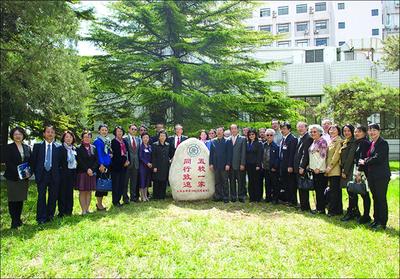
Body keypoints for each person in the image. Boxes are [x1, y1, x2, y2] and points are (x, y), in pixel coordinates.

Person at [359, 123, 391, 230]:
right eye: (370, 130)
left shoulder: (383, 143)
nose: (372, 132)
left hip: (381, 176)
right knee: (375, 198)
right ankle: (376, 220)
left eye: (374, 130)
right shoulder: (372, 143)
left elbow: (378, 158)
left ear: (379, 131)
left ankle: (382, 222)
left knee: (381, 198)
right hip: (372, 175)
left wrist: (365, 161)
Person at [31, 124, 62, 224]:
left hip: (54, 175)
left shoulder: (59, 147)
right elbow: (33, 161)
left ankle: (50, 216)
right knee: (41, 197)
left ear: (54, 134)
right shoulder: (37, 146)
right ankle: (41, 218)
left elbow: (61, 163)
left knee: (53, 197)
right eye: (48, 132)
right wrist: (35, 173)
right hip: (42, 175)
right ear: (44, 134)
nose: (50, 134)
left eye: (52, 132)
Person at [341, 125, 371, 223]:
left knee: (364, 194)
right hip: (356, 170)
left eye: (359, 132)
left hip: (362, 171)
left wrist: (359, 172)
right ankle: (354, 212)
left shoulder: (364, 143)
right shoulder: (358, 142)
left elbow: (363, 158)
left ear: (364, 133)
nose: (356, 133)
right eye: (356, 132)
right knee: (353, 191)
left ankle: (366, 216)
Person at [4, 127, 31, 228]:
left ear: (23, 135)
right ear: (12, 136)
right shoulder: (8, 147)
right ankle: (14, 221)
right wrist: (19, 172)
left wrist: (28, 172)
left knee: (20, 198)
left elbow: (30, 161)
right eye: (15, 134)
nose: (18, 136)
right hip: (12, 177)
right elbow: (8, 162)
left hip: (24, 178)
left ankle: (18, 219)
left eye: (20, 134)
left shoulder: (27, 147)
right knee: (13, 199)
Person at [76, 130, 98, 215]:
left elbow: (96, 160)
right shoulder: (78, 148)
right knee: (82, 191)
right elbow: (79, 160)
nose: (87, 138)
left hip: (91, 173)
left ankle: (87, 209)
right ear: (82, 138)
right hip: (82, 172)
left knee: (89, 191)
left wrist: (92, 169)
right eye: (85, 137)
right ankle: (83, 210)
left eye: (88, 137)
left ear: (90, 138)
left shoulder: (93, 148)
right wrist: (87, 169)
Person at [293, 122, 314, 212]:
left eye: (302, 127)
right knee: (300, 187)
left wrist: (302, 166)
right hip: (297, 166)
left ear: (306, 128)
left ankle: (305, 207)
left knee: (304, 187)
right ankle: (302, 205)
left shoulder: (308, 138)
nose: (300, 129)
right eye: (298, 127)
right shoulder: (300, 138)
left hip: (303, 167)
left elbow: (306, 154)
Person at [308, 124, 328, 214]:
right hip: (313, 170)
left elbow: (323, 156)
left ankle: (321, 209)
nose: (313, 133)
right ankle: (318, 207)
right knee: (317, 190)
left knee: (320, 190)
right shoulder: (314, 141)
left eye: (315, 131)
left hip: (319, 170)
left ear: (320, 132)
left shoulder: (322, 141)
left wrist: (317, 168)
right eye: (311, 132)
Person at [339, 124, 357, 220]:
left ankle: (351, 212)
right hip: (345, 169)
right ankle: (355, 211)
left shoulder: (353, 142)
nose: (346, 133)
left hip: (349, 170)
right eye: (345, 131)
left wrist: (345, 171)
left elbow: (350, 158)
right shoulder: (345, 142)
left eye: (348, 131)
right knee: (349, 191)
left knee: (351, 191)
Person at [209, 127, 232, 203]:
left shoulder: (227, 141)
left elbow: (229, 154)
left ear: (223, 132)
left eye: (220, 131)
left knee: (225, 181)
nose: (219, 132)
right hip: (216, 165)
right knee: (217, 182)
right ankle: (218, 196)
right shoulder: (213, 141)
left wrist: (228, 164)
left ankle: (226, 197)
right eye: (218, 131)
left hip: (224, 165)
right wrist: (211, 164)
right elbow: (211, 154)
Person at [325, 124, 343, 217]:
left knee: (334, 191)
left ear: (338, 131)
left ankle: (332, 210)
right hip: (328, 169)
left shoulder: (339, 141)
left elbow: (336, 156)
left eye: (334, 129)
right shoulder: (329, 140)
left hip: (334, 169)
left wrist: (330, 166)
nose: (332, 131)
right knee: (334, 190)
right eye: (330, 129)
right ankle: (338, 209)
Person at [58, 130, 77, 217]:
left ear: (73, 138)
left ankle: (69, 211)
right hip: (62, 175)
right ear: (63, 138)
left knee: (70, 193)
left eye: (70, 137)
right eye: (67, 137)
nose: (69, 139)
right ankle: (61, 212)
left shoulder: (74, 148)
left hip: (72, 174)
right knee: (62, 193)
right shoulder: (60, 149)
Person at [93, 124, 111, 211]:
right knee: (100, 184)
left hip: (107, 164)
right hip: (101, 165)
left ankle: (100, 203)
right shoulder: (97, 141)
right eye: (102, 130)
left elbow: (107, 151)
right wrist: (101, 164)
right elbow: (99, 154)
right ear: (99, 131)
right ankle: (99, 204)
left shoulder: (107, 140)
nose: (104, 131)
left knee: (104, 184)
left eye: (105, 130)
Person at [279, 122, 297, 206]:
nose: (282, 130)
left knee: (291, 184)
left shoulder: (292, 139)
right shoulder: (283, 139)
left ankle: (292, 201)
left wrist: (290, 166)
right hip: (283, 166)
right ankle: (287, 199)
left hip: (289, 166)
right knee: (285, 183)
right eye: (281, 129)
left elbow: (292, 154)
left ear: (289, 129)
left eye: (284, 129)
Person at [111, 126, 129, 207]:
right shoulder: (113, 142)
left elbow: (127, 152)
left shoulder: (124, 141)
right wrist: (123, 163)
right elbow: (116, 155)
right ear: (115, 132)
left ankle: (119, 200)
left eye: (121, 131)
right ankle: (115, 201)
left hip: (124, 166)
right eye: (118, 131)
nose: (119, 133)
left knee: (122, 184)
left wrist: (128, 161)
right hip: (116, 166)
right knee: (116, 184)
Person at [227, 124, 247, 203]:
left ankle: (241, 196)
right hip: (230, 165)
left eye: (235, 128)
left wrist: (242, 164)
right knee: (232, 182)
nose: (233, 130)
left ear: (238, 130)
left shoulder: (242, 139)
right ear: (230, 130)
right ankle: (233, 196)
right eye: (232, 129)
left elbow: (243, 152)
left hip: (239, 165)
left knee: (241, 181)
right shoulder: (227, 139)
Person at [261, 129, 280, 204]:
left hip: (273, 169)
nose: (269, 136)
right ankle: (268, 198)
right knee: (267, 184)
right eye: (267, 135)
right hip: (265, 168)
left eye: (271, 135)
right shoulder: (263, 145)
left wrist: (274, 167)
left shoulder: (276, 146)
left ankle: (275, 199)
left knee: (274, 184)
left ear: (273, 136)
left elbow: (278, 158)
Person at [152, 130, 172, 199]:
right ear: (159, 137)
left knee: (164, 180)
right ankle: (156, 196)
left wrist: (170, 160)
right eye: (161, 136)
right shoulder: (155, 144)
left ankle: (162, 195)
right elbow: (153, 156)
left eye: (164, 136)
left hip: (165, 165)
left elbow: (168, 155)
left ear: (166, 137)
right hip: (157, 165)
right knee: (157, 180)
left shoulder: (167, 145)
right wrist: (154, 166)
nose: (162, 137)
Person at [123, 124, 141, 203]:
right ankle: (125, 198)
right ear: (129, 130)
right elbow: (123, 151)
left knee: (134, 181)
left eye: (135, 129)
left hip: (136, 163)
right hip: (127, 163)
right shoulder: (124, 139)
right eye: (132, 129)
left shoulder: (138, 139)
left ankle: (133, 197)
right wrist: (125, 160)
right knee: (125, 182)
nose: (134, 131)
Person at [246, 128, 263, 202]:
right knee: (251, 181)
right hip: (249, 165)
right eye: (250, 134)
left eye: (253, 134)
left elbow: (260, 155)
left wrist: (258, 165)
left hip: (256, 165)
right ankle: (251, 197)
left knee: (257, 181)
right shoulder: (247, 143)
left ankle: (258, 197)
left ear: (255, 135)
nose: (251, 136)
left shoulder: (259, 143)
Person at [139, 133, 152, 201]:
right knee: (142, 181)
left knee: (147, 181)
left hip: (149, 167)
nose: (146, 139)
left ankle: (145, 195)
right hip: (143, 166)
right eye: (144, 137)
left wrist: (151, 163)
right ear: (142, 138)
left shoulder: (149, 146)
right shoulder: (141, 147)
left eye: (147, 137)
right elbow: (140, 157)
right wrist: (147, 163)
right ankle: (142, 196)